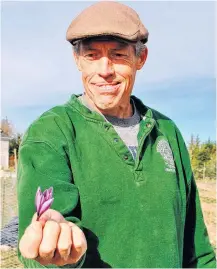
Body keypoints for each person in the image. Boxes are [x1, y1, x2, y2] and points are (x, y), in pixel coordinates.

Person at [17, 1, 216, 268]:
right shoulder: (51, 132)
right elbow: (36, 254)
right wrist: (56, 249)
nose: (104, 70)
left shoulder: (167, 131)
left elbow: (198, 250)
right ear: (77, 60)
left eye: (118, 55)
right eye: (91, 55)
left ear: (140, 59)